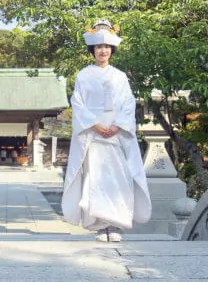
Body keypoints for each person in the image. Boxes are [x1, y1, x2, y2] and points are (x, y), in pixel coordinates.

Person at [61, 20, 151, 242]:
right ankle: (100, 225)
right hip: (93, 134)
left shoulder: (120, 76)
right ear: (93, 50)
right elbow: (78, 103)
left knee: (119, 178)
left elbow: (128, 103)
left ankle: (116, 224)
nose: (103, 51)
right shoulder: (84, 75)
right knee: (97, 179)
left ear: (112, 50)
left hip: (116, 135)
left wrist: (117, 126)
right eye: (99, 47)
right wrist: (95, 124)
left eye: (107, 47)